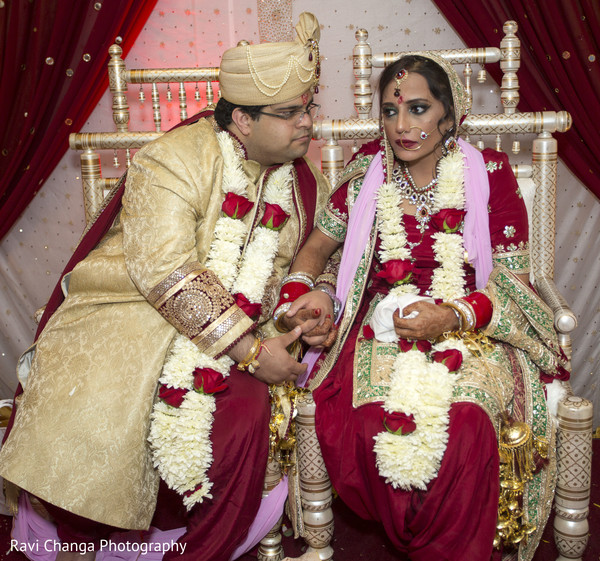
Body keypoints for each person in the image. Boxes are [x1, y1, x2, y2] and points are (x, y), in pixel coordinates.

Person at [0, 12, 332, 561]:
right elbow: (166, 271)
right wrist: (252, 353)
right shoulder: (173, 158)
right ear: (243, 122)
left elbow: (315, 264)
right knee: (102, 396)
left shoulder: (307, 183)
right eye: (291, 112)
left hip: (241, 334)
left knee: (244, 419)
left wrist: (314, 297)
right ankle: (83, 545)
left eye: (309, 108)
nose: (308, 123)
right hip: (129, 313)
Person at [275, 53, 570, 561]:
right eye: (391, 112)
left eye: (418, 108)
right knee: (373, 422)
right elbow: (316, 250)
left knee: (468, 423)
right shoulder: (368, 169)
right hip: (381, 323)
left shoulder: (490, 173)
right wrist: (312, 291)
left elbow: (515, 283)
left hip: (470, 322)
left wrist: (452, 316)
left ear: (449, 116)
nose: (402, 126)